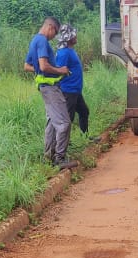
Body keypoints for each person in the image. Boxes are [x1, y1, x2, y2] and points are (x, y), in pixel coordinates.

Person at [26, 17, 78, 170]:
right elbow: (43, 66)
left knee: (52, 123)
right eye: (55, 33)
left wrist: (41, 71)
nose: (54, 36)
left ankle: (49, 156)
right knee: (64, 123)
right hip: (50, 88)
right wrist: (60, 70)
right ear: (50, 27)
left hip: (44, 87)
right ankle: (59, 159)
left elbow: (27, 66)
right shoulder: (42, 41)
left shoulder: (34, 40)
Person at [55, 24, 91, 139]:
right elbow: (59, 70)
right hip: (68, 90)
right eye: (74, 35)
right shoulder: (64, 53)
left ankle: (84, 137)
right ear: (69, 38)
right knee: (67, 118)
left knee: (84, 111)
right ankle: (64, 143)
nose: (76, 37)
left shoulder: (70, 51)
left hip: (75, 90)